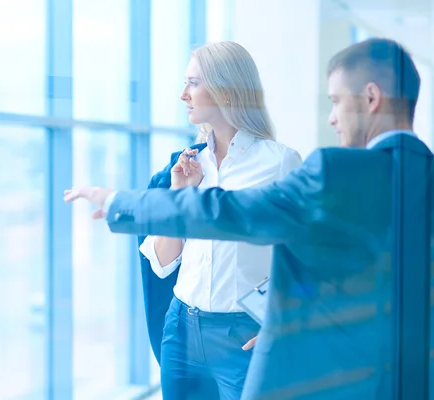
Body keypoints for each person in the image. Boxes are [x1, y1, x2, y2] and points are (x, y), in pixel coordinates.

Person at [64, 38, 433, 400]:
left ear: (371, 98)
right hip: (187, 326)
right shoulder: (186, 163)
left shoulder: (328, 170)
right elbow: (341, 268)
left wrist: (118, 202)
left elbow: (230, 213)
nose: (332, 117)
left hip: (262, 343)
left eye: (336, 101)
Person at [137, 41, 302, 400]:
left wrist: (284, 323)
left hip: (243, 336)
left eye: (193, 83)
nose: (183, 94)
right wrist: (180, 196)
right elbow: (163, 263)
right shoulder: (185, 165)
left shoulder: (280, 163)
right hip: (180, 330)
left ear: (226, 88)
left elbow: (305, 257)